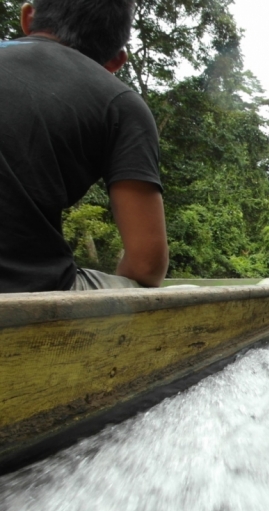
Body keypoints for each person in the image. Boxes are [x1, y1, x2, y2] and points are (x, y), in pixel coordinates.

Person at [0, 0, 169, 293]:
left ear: (28, 18)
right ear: (116, 61)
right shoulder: (120, 104)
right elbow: (147, 266)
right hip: (26, 291)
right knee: (169, 293)